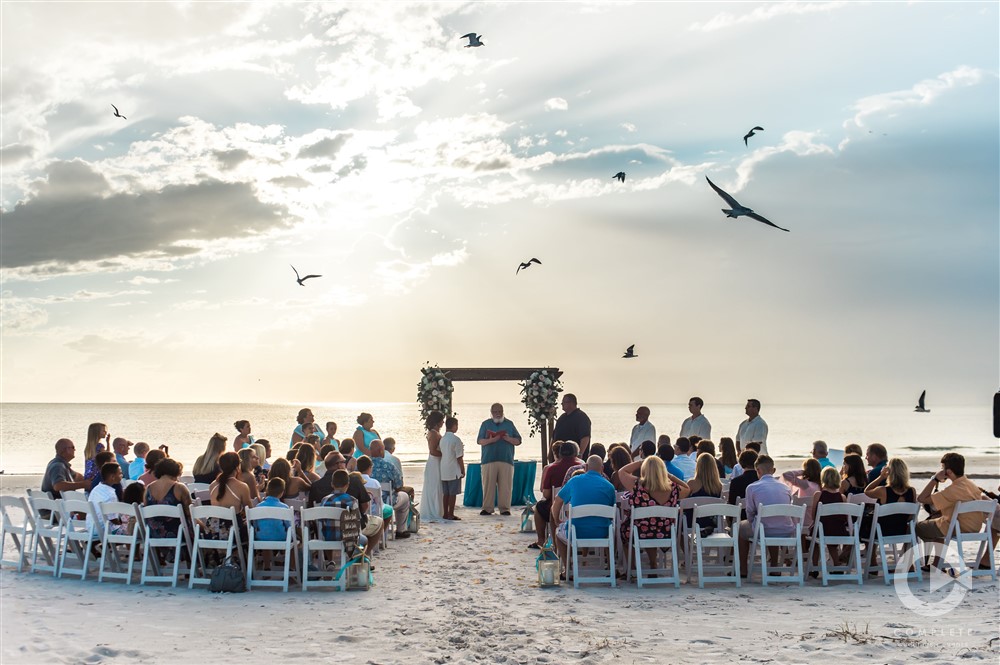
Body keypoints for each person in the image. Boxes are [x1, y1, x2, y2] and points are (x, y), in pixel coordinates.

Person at [616, 456, 689, 570]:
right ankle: (653, 563)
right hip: (665, 532)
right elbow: (687, 488)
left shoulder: (637, 485)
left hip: (639, 532)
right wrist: (669, 475)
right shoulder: (673, 489)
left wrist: (641, 462)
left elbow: (622, 471)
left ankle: (632, 568)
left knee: (626, 529)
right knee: (653, 526)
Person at [551, 456, 616, 565]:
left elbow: (557, 502)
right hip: (602, 532)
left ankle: (567, 569)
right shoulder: (609, 486)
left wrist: (557, 520)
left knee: (558, 533)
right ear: (602, 468)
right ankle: (610, 566)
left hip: (576, 532)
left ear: (585, 467)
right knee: (611, 527)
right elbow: (611, 512)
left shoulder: (574, 481)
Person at [738, 455, 794, 576]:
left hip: (765, 529)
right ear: (773, 470)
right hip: (785, 529)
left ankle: (743, 569)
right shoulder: (786, 488)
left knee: (741, 528)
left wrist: (754, 524)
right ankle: (774, 565)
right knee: (772, 523)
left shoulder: (752, 487)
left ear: (758, 470)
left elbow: (750, 512)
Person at [914, 452, 984, 548]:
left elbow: (921, 498)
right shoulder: (971, 485)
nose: (941, 470)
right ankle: (937, 562)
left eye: (943, 468)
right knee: (938, 521)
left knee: (916, 527)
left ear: (949, 472)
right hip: (974, 527)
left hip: (958, 528)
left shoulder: (952, 490)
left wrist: (935, 479)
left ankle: (909, 561)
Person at [529, 441, 583, 549]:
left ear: (560, 453)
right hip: (578, 505)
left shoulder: (552, 468)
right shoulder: (582, 465)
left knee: (539, 507)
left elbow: (546, 494)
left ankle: (541, 540)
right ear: (575, 453)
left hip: (556, 506)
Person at [477, 403, 522, 516]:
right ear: (491, 412)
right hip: (489, 459)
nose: (497, 414)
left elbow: (518, 441)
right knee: (488, 486)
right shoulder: (486, 424)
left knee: (506, 486)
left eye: (499, 411)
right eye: (495, 412)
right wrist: (492, 440)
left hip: (506, 459)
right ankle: (487, 508)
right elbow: (480, 441)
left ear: (503, 411)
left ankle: (505, 508)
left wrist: (508, 439)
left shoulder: (509, 424)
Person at [808, 467, 850, 570]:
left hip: (822, 530)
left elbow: (814, 516)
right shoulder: (842, 497)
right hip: (839, 531)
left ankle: (814, 566)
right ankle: (836, 563)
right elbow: (844, 517)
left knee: (815, 537)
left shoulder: (818, 495)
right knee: (831, 531)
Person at [369, 440, 411, 539]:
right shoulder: (389, 466)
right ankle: (401, 530)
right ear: (380, 451)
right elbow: (399, 486)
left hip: (367, 502)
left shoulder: (362, 464)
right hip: (386, 501)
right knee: (405, 497)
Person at [864, 458, 916, 537]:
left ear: (889, 472)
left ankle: (871, 549)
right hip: (902, 531)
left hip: (882, 532)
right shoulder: (912, 491)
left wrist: (881, 477)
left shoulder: (883, 490)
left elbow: (866, 491)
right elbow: (910, 516)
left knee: (865, 524)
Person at [143, 458, 192, 539]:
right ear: (176, 471)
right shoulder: (179, 487)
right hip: (179, 536)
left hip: (154, 536)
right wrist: (203, 527)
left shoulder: (148, 489)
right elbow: (190, 514)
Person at [685, 452, 724, 533]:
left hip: (692, 522)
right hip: (710, 523)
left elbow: (684, 503)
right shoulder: (719, 486)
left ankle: (682, 545)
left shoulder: (692, 484)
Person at [88, 462, 128, 535]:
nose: (122, 475)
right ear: (112, 477)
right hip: (104, 530)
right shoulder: (111, 495)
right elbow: (113, 519)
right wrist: (124, 524)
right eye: (120, 473)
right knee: (132, 530)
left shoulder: (96, 489)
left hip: (91, 528)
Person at [439, 416, 465, 521]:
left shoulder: (442, 439)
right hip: (453, 469)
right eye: (456, 425)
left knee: (446, 493)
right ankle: (451, 513)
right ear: (454, 426)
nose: (457, 427)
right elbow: (459, 457)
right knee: (452, 493)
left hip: (443, 468)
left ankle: (445, 513)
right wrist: (462, 469)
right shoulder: (456, 439)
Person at [422, 411, 445, 522]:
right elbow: (433, 451)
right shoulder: (434, 434)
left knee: (437, 486)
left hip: (436, 462)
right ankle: (434, 510)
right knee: (435, 486)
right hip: (434, 462)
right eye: (442, 420)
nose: (443, 422)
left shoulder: (434, 432)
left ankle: (438, 509)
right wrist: (446, 454)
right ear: (437, 422)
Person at [552, 394, 592, 458]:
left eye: (564, 402)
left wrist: (580, 453)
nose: (562, 404)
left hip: (574, 456)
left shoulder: (582, 417)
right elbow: (554, 436)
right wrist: (551, 453)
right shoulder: (562, 418)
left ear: (571, 403)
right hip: (559, 457)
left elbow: (585, 437)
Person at [727, 449, 760, 520]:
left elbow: (732, 504)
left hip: (740, 519)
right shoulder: (761, 480)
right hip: (759, 518)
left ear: (741, 464)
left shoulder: (735, 482)